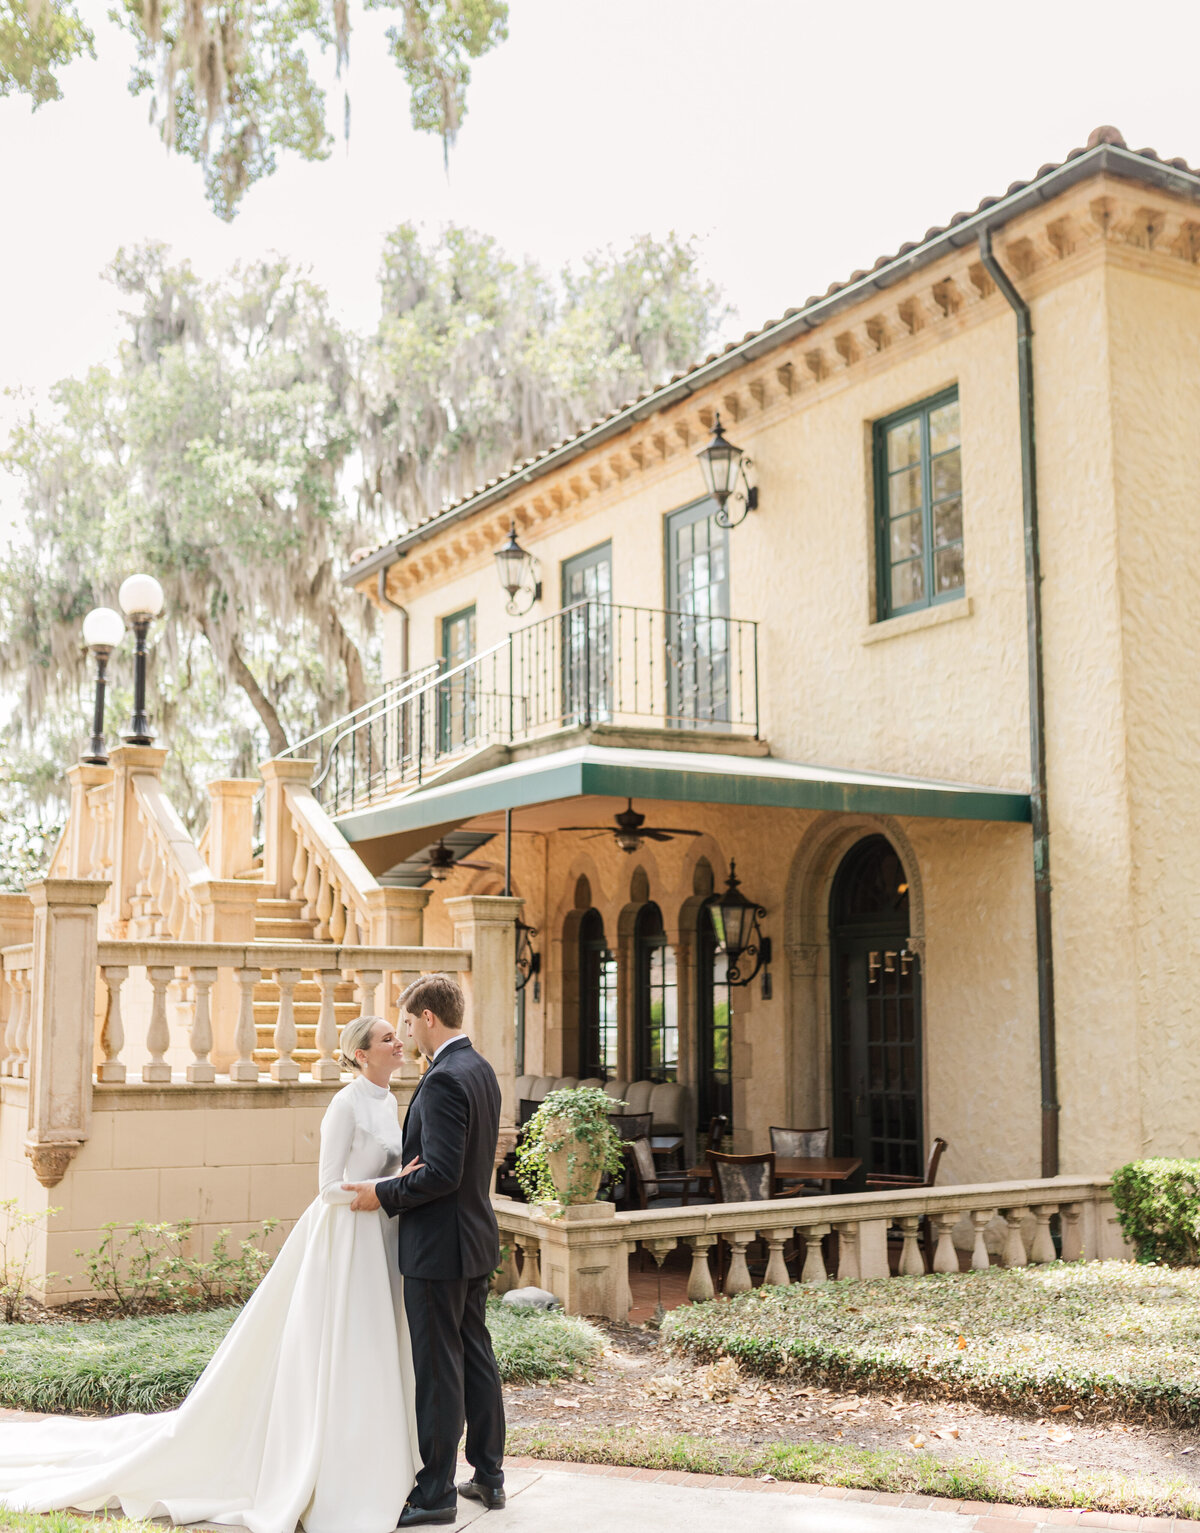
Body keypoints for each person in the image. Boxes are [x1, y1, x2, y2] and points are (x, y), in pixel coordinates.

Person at [0, 1014, 421, 1533]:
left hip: (379, 1240)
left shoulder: (389, 1100)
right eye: (386, 1039)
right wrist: (386, 1187)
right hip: (345, 1242)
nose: (397, 1043)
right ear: (362, 1054)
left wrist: (394, 1186)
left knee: (374, 1346)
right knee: (342, 1346)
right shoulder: (346, 1104)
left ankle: (375, 1454)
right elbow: (329, 1187)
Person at [344, 972, 506, 1528]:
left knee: (439, 1369)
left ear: (428, 1019)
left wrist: (379, 1194)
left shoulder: (441, 1080)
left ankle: (435, 1491)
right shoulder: (480, 1068)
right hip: (475, 1239)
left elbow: (440, 1173)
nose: (407, 1034)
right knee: (476, 1358)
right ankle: (489, 1475)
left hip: (439, 1247)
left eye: (408, 1023)